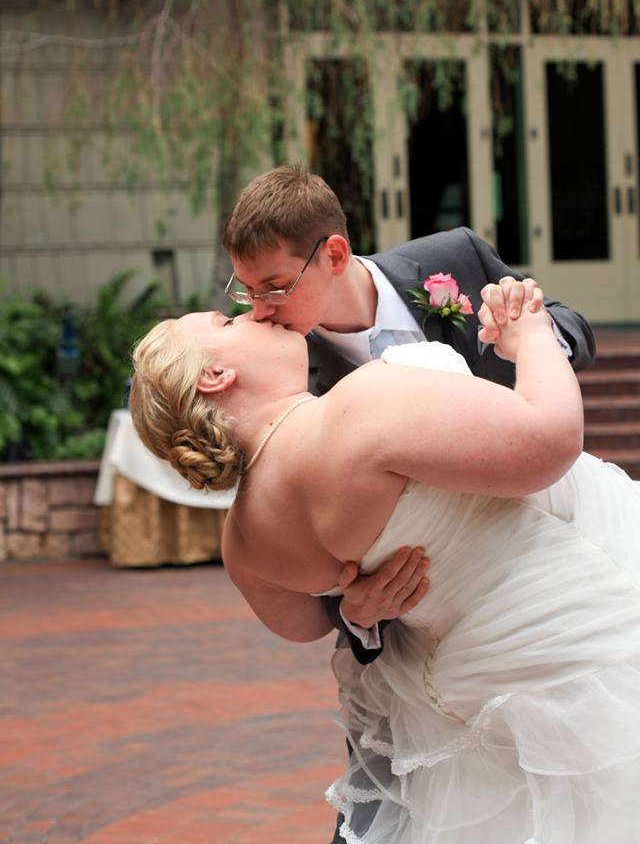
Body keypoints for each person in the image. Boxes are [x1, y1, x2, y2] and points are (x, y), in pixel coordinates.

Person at [129, 304, 640, 843]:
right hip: (594, 619)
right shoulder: (358, 406)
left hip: (475, 700)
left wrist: (353, 609)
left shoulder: (244, 543)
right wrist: (533, 337)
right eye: (227, 324)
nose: (253, 313)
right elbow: (551, 441)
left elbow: (307, 625)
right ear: (216, 376)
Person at [221, 164, 596, 663]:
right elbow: (318, 557)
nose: (260, 310)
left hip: (551, 553)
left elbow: (572, 326)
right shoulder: (288, 380)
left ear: (334, 254)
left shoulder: (453, 255)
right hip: (438, 635)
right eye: (247, 291)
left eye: (274, 287)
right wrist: (354, 615)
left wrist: (534, 336)